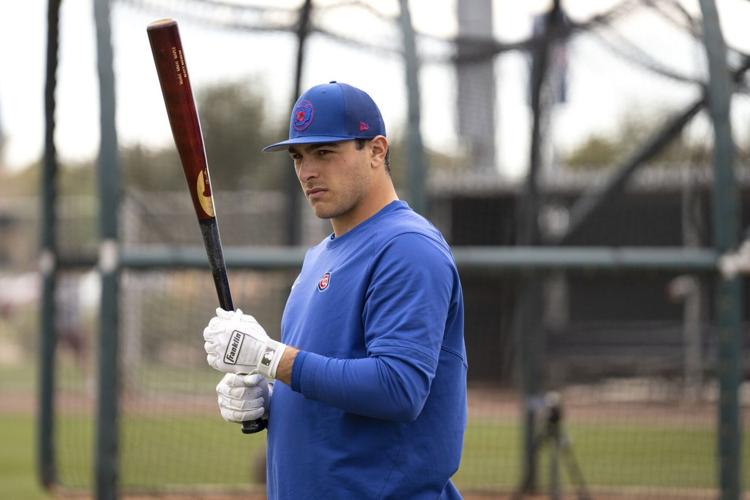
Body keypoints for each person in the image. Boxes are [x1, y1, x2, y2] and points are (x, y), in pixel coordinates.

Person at [202, 81, 467, 499]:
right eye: (298, 156)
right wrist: (272, 401)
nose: (307, 171)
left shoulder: (407, 248)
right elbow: (326, 384)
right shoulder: (318, 257)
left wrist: (270, 357)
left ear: (377, 151)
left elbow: (398, 387)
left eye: (325, 153)